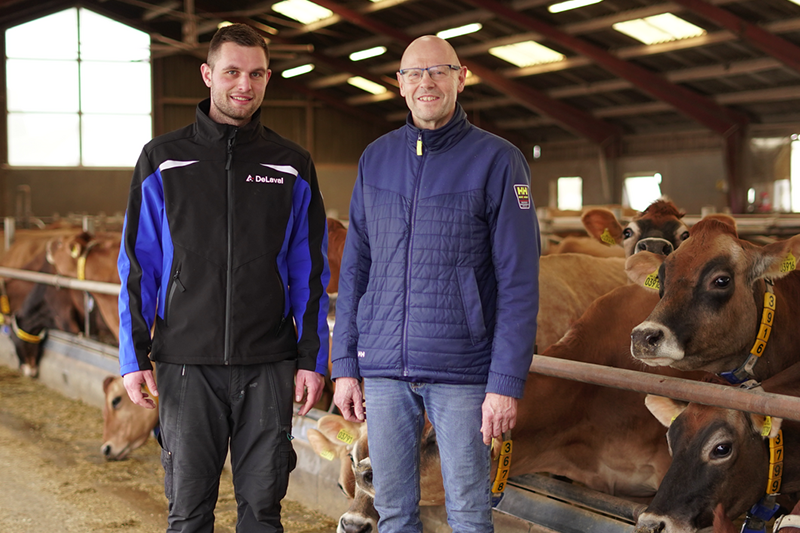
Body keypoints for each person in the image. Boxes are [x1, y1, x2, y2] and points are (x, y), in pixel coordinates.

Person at [117, 23, 329, 532]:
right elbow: (137, 265)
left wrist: (310, 360)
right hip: (185, 363)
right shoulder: (162, 159)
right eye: (232, 71)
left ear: (268, 78)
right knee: (188, 513)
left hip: (269, 364)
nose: (244, 84)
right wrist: (133, 356)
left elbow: (310, 272)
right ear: (208, 73)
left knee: (262, 511)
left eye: (256, 73)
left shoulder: (290, 165)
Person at [331, 35, 540, 533]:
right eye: (415, 74)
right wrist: (344, 365)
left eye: (439, 71)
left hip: (462, 371)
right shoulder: (375, 159)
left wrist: (505, 384)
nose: (427, 82)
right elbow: (356, 267)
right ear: (400, 85)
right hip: (383, 373)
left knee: (468, 512)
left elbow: (518, 279)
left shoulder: (498, 160)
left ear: (461, 77)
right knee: (394, 511)